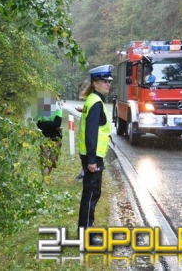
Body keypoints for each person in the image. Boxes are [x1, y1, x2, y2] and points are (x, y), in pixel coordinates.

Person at [77, 64, 113, 245]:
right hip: (93, 156)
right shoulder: (96, 102)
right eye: (105, 81)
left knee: (91, 193)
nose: (109, 85)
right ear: (96, 82)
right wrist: (92, 160)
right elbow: (91, 133)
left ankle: (86, 232)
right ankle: (86, 236)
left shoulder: (92, 99)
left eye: (109, 81)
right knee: (91, 194)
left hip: (91, 154)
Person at [35, 91, 63, 177]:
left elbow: (57, 123)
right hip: (44, 138)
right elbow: (39, 124)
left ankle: (47, 177)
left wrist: (46, 123)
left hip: (56, 139)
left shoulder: (57, 110)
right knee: (44, 160)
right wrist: (51, 124)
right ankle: (44, 180)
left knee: (53, 160)